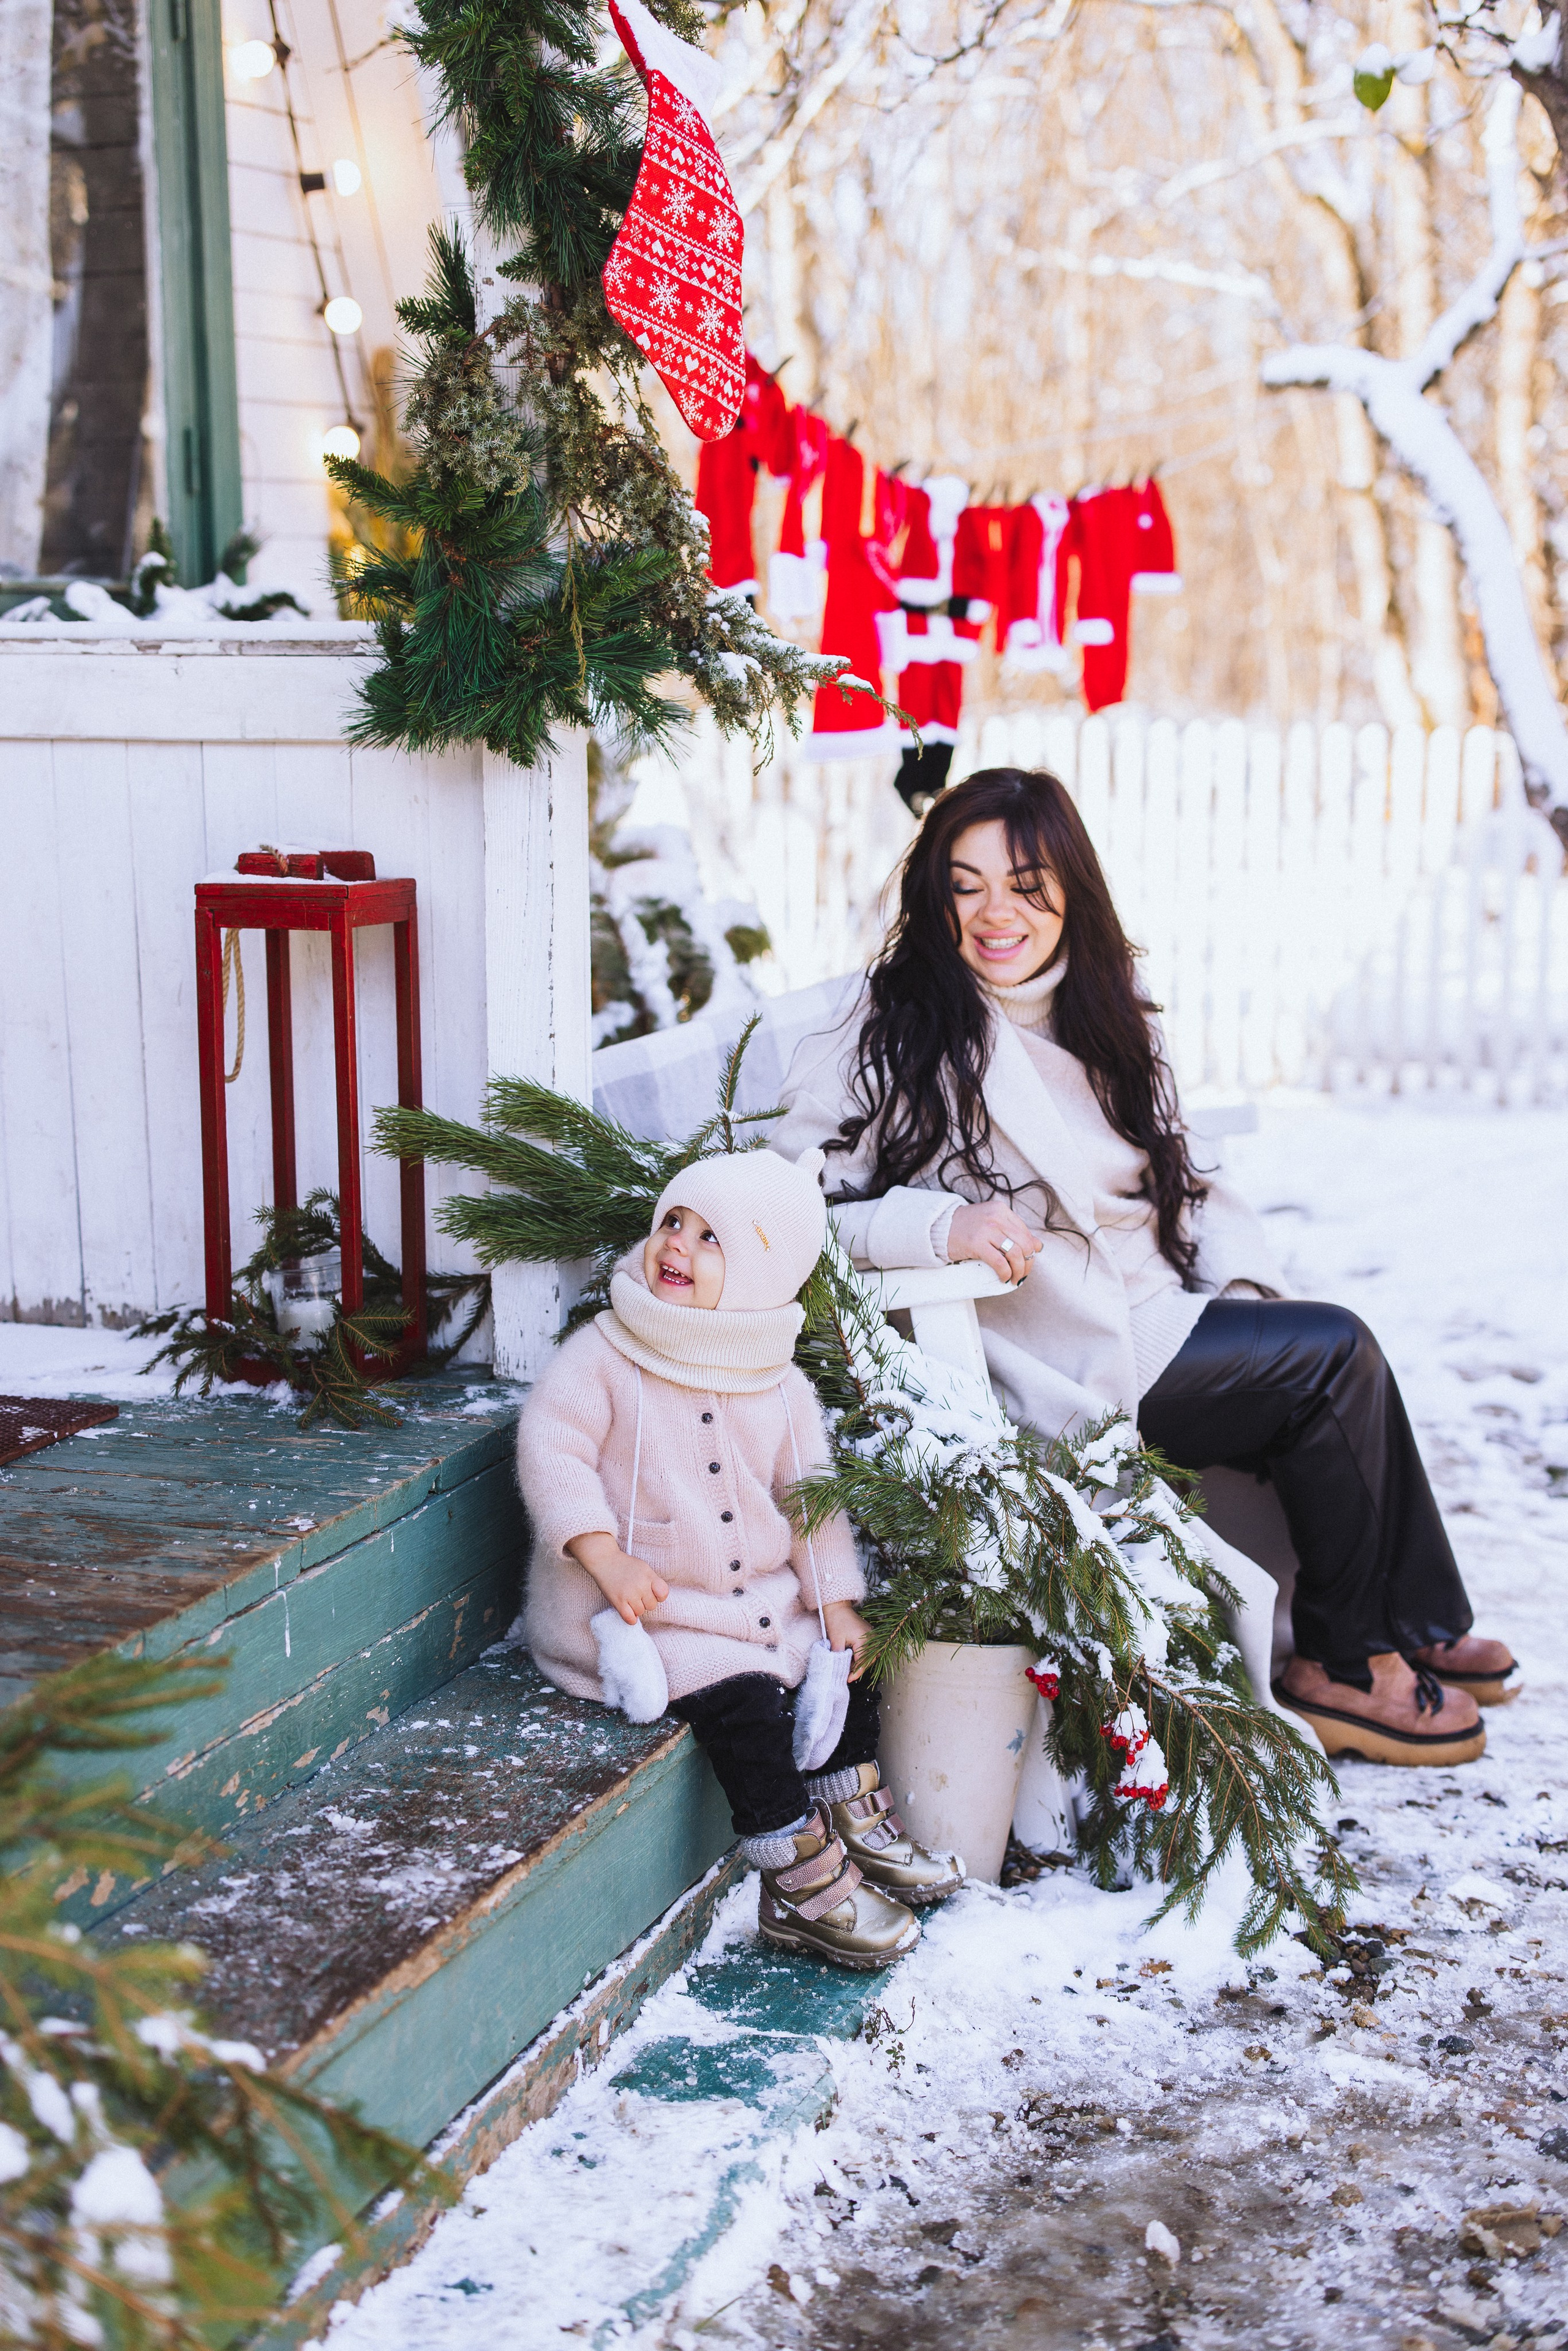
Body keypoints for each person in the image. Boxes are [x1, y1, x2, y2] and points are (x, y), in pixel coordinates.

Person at [772, 767, 1517, 1768]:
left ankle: (1409, 1620)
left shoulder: (1103, 1007)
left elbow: (1188, 1172)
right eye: (967, 884)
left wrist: (1243, 1291)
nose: (998, 913)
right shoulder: (892, 1027)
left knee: (1326, 1354)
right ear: (934, 896)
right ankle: (1343, 1662)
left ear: (1071, 887)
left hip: (1159, 1306)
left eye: (1027, 883)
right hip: (1050, 1345)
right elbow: (793, 1204)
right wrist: (936, 1223)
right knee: (1334, 1356)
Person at [516, 1147, 964, 1970]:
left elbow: (809, 1497)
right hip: (643, 1612)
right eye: (673, 1222)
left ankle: (852, 1812)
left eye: (710, 1236)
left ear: (761, 1271)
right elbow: (554, 1447)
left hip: (757, 1603)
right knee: (749, 1706)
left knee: (845, 1664)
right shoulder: (608, 1352)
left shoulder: (777, 1378)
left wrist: (834, 1599)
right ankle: (797, 1874)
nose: (676, 1244)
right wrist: (603, 1555)